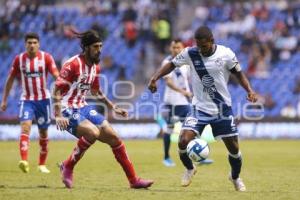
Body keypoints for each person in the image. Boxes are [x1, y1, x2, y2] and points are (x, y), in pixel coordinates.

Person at [148, 26, 258, 191]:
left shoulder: (226, 54)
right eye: (198, 45)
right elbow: (171, 65)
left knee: (234, 149)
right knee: (183, 140)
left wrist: (249, 90)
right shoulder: (190, 53)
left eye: (204, 46)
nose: (201, 49)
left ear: (212, 41)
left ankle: (235, 177)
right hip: (198, 108)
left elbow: (239, 74)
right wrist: (155, 78)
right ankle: (190, 168)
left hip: (222, 109)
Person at [52, 30, 154, 189]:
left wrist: (113, 107)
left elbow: (96, 91)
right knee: (92, 132)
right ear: (86, 48)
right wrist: (58, 115)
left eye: (100, 46)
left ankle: (134, 180)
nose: (99, 50)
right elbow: (57, 90)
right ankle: (68, 166)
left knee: (114, 137)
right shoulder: (73, 64)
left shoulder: (95, 67)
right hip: (66, 108)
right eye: (95, 47)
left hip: (82, 107)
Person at [0, 32, 59, 173]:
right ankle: (24, 160)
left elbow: (57, 76)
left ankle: (41, 164)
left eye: (34, 43)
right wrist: (4, 99)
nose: (32, 45)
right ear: (25, 44)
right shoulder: (19, 59)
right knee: (25, 127)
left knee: (43, 133)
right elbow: (10, 79)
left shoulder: (46, 58)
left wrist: (60, 85)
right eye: (29, 43)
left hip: (44, 101)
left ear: (38, 44)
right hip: (26, 99)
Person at [160, 38, 213, 167]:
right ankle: (167, 157)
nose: (176, 50)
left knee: (187, 127)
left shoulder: (185, 63)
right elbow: (168, 82)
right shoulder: (167, 62)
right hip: (172, 102)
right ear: (170, 48)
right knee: (172, 129)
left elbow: (192, 77)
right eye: (173, 47)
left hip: (184, 102)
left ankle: (197, 156)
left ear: (183, 48)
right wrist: (184, 93)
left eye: (178, 47)